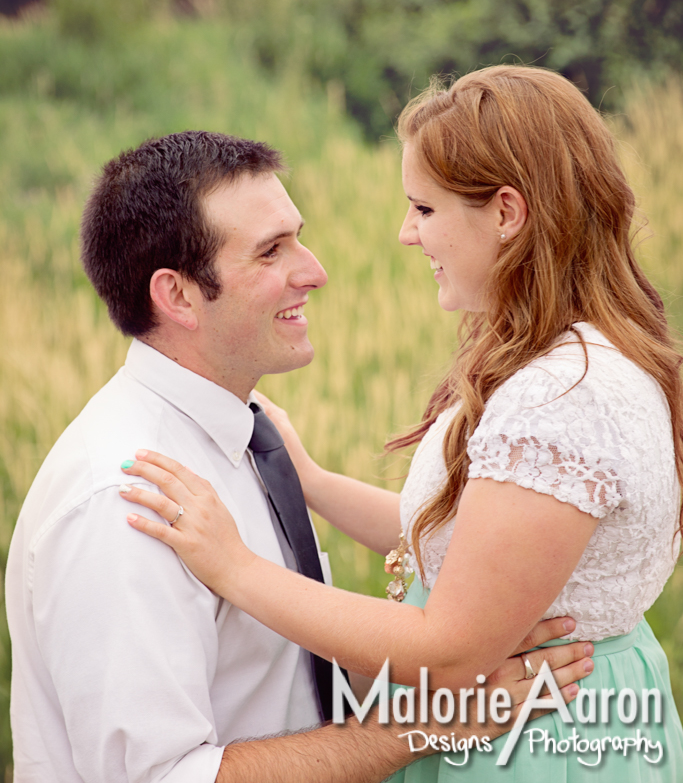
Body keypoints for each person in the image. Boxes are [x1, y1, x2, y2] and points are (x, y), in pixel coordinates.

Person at [120, 67, 683, 780]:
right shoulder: (556, 356)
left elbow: (448, 646)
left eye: (423, 209)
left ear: (506, 213)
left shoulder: (563, 398)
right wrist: (312, 482)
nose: (405, 234)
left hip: (541, 741)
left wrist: (236, 568)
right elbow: (472, 543)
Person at [5, 129, 591, 783]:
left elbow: (283, 676)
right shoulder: (123, 504)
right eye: (270, 252)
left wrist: (467, 652)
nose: (314, 271)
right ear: (176, 296)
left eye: (297, 237)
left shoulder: (250, 438)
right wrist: (432, 722)